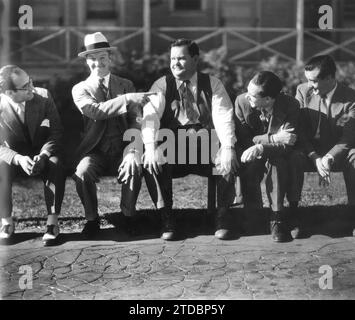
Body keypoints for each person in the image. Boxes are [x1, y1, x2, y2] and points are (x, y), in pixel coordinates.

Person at [142, 38, 239, 241]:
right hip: (174, 147)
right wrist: (151, 146)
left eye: (181, 58)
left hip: (205, 147)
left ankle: (222, 216)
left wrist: (228, 147)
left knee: (227, 155)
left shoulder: (213, 84)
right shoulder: (162, 85)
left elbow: (223, 117)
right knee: (152, 158)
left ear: (195, 59)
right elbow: (150, 118)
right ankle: (166, 218)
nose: (175, 63)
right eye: (172, 59)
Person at [71, 32, 153, 238]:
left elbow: (136, 119)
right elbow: (96, 111)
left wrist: (134, 148)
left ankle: (127, 216)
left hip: (123, 147)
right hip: (95, 151)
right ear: (86, 62)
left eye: (102, 58)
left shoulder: (125, 84)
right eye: (92, 59)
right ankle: (92, 219)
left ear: (110, 58)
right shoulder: (80, 89)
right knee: (82, 172)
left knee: (134, 163)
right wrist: (127, 99)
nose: (98, 63)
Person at [288, 54, 355, 237]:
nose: (310, 85)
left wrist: (329, 157)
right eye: (308, 80)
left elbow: (349, 137)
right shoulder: (303, 91)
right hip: (309, 151)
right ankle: (293, 215)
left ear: (330, 78)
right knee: (293, 158)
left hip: (339, 153)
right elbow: (299, 130)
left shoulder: (350, 98)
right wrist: (314, 156)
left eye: (314, 81)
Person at [0, 65, 65, 245]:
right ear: (9, 93)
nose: (32, 88)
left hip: (43, 152)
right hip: (14, 158)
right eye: (25, 86)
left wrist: (44, 154)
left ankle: (52, 223)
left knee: (56, 162)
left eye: (30, 81)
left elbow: (57, 132)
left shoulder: (43, 97)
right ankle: (6, 222)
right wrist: (18, 158)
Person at [235, 71, 300, 242]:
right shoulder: (241, 102)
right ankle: (253, 213)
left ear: (269, 99)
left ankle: (276, 217)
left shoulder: (290, 105)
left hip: (278, 153)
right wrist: (271, 138)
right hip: (248, 154)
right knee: (248, 164)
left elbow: (288, 142)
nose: (247, 97)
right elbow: (245, 139)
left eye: (252, 95)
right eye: (247, 92)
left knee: (277, 162)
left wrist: (262, 147)